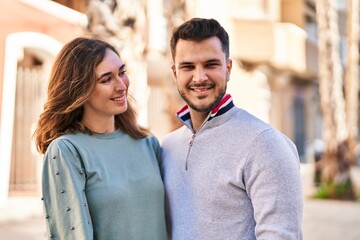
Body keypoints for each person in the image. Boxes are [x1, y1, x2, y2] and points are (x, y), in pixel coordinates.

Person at [160, 17, 303, 240]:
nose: (199, 77)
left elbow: (280, 235)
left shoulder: (264, 144)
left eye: (211, 64)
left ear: (228, 68)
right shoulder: (168, 146)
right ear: (175, 72)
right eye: (188, 66)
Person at [34, 37, 167, 240]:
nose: (121, 85)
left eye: (122, 73)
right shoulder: (66, 151)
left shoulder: (148, 143)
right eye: (106, 79)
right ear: (80, 89)